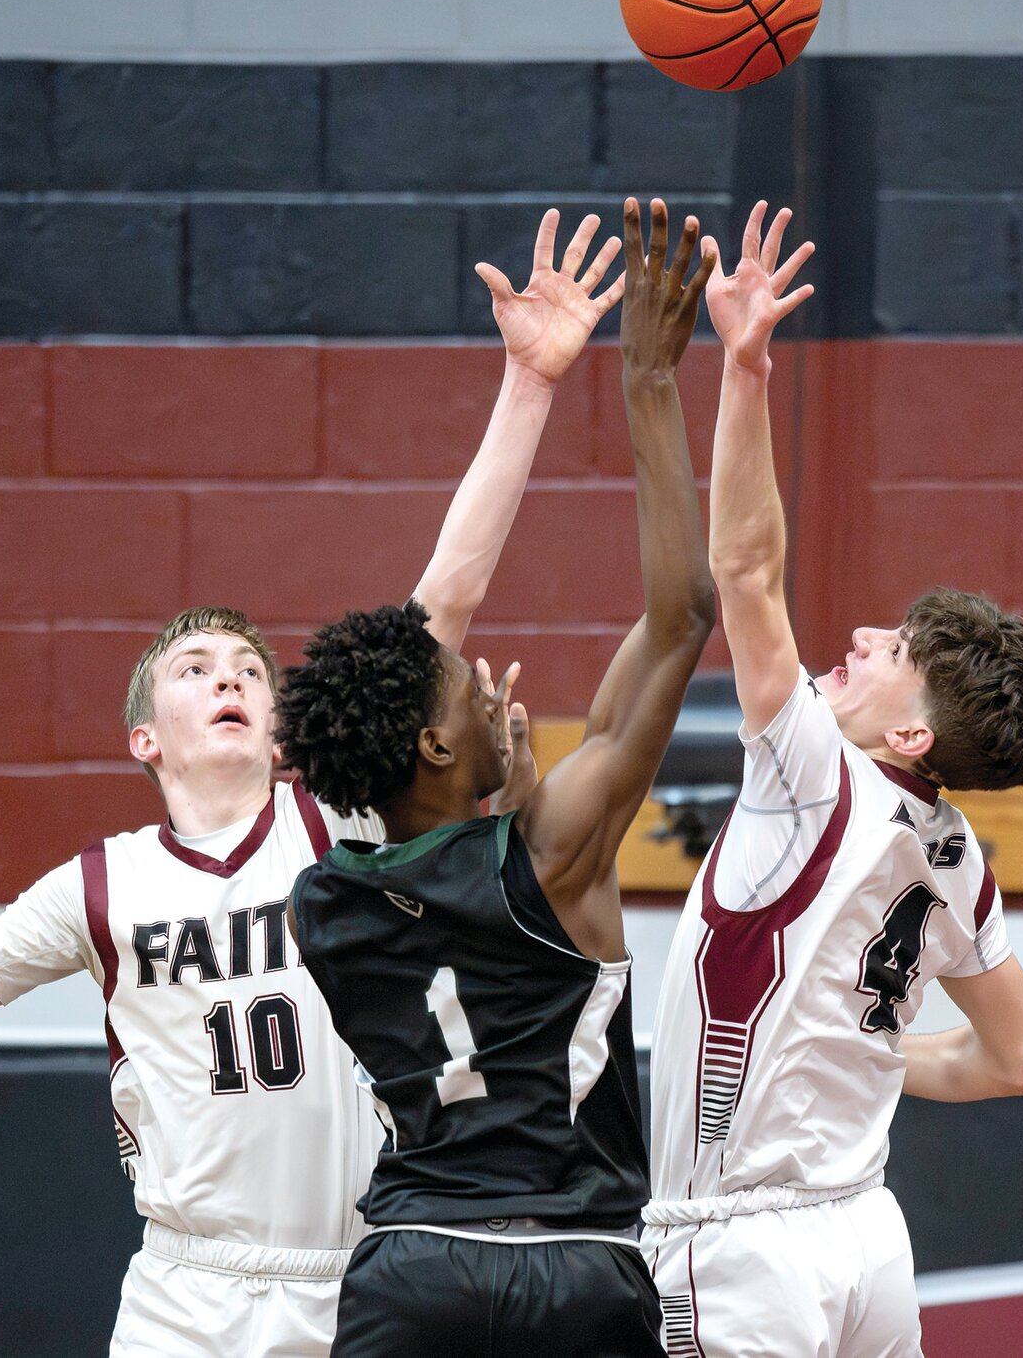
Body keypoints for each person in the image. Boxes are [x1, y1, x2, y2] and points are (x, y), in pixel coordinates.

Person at [0, 207, 626, 1358]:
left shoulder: (332, 817)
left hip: (358, 1270)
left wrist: (529, 384)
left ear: (284, 728)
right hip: (185, 1285)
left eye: (248, 667)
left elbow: (442, 605)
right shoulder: (95, 888)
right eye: (195, 670)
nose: (229, 677)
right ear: (146, 738)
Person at [278, 200, 780, 1358]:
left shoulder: (326, 899)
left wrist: (486, 773)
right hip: (571, 1261)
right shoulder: (552, 845)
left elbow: (413, 760)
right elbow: (683, 615)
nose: (493, 679)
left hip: (407, 1270)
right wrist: (650, 381)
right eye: (468, 691)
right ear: (439, 751)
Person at [642, 203, 1023, 1358]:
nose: (868, 635)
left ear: (914, 739)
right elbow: (1020, 1063)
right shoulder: (957, 859)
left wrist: (743, 368)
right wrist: (874, 1054)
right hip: (865, 1235)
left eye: (897, 654)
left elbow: (744, 565)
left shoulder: (816, 773)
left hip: (737, 1245)